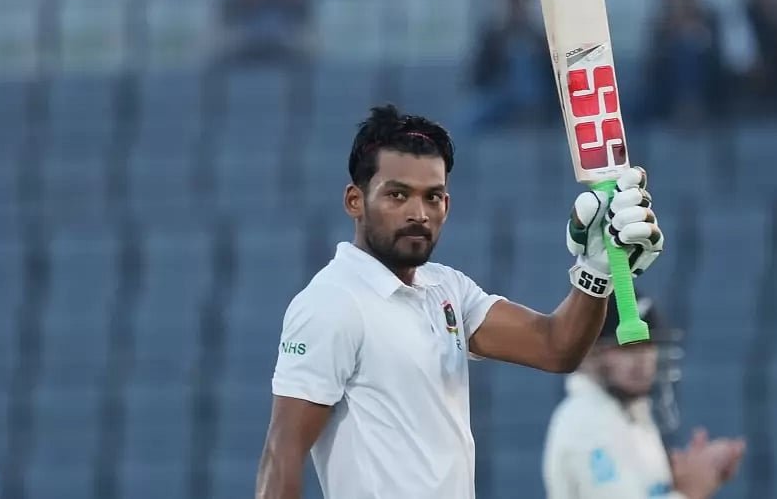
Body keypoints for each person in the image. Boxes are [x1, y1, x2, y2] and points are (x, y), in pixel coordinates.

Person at [255, 104, 666, 498]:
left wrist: (596, 270)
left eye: (432, 197)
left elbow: (556, 348)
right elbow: (282, 455)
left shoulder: (446, 288)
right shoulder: (331, 304)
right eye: (397, 195)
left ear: (447, 205)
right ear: (354, 201)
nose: (418, 212)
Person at [543, 296, 746, 499]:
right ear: (590, 354)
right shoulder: (586, 421)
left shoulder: (633, 412)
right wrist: (690, 492)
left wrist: (690, 475)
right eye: (626, 347)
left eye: (648, 345)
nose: (642, 360)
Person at [640, 0, 731, 126]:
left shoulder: (710, 18)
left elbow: (719, 58)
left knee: (689, 51)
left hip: (708, 87)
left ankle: (690, 107)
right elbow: (651, 68)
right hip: (668, 90)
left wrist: (695, 35)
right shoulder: (661, 24)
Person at [461, 0, 559, 132]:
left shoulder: (542, 37)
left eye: (521, 4)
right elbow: (478, 76)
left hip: (542, 97)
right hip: (502, 96)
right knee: (466, 122)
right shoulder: (492, 37)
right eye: (513, 4)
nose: (517, 9)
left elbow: (555, 78)